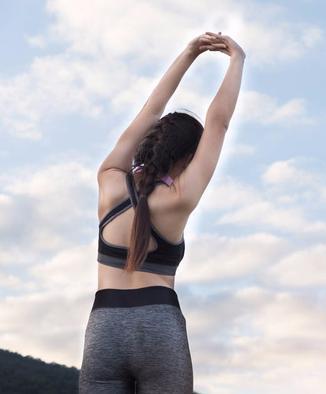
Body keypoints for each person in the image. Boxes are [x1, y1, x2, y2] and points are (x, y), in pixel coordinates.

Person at [78, 31, 245, 393]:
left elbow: (150, 110)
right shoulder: (180, 197)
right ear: (188, 156)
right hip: (159, 325)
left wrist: (188, 54)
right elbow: (219, 121)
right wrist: (237, 59)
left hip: (104, 327)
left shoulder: (109, 182)